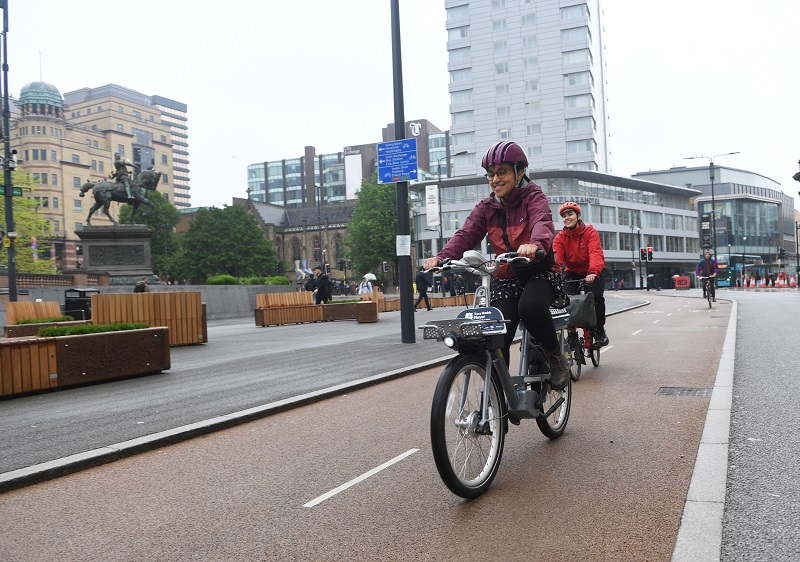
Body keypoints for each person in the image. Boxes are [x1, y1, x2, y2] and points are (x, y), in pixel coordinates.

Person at [422, 141, 569, 389]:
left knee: (530, 307)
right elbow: (465, 234)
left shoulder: (534, 197)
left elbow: (542, 223)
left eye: (502, 171)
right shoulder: (486, 208)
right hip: (507, 276)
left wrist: (535, 244)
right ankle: (500, 395)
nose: (495, 179)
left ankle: (555, 356)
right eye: (491, 174)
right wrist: (442, 257)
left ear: (519, 171)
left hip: (539, 271)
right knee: (496, 330)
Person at [553, 201, 609, 347]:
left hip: (593, 270)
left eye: (570, 214)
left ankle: (599, 329)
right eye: (564, 216)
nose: (567, 218)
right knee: (566, 299)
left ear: (578, 216)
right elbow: (556, 259)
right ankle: (571, 331)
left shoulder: (590, 232)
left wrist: (593, 272)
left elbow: (595, 253)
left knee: (596, 298)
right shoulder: (560, 237)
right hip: (572, 271)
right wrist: (553, 274)